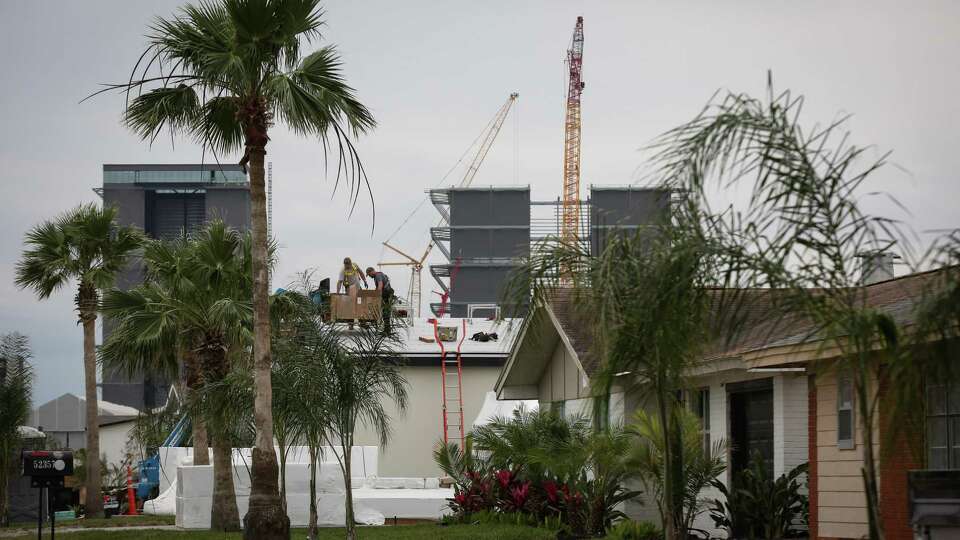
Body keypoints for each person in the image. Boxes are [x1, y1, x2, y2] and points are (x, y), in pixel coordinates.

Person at [337, 257, 368, 328]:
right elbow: (339, 282)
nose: (347, 266)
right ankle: (351, 324)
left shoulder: (355, 265)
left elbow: (361, 272)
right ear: (344, 264)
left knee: (360, 304)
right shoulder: (343, 271)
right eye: (346, 265)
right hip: (349, 289)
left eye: (348, 265)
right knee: (350, 305)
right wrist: (338, 293)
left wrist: (365, 281)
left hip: (358, 288)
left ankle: (362, 323)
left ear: (351, 263)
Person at [366, 267, 395, 333]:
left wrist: (377, 295)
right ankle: (387, 329)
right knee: (385, 312)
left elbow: (380, 285)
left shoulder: (378, 275)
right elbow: (378, 287)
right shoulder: (379, 275)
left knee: (386, 313)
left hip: (386, 295)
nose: (369, 276)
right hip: (386, 294)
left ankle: (387, 330)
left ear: (372, 271)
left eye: (369, 274)